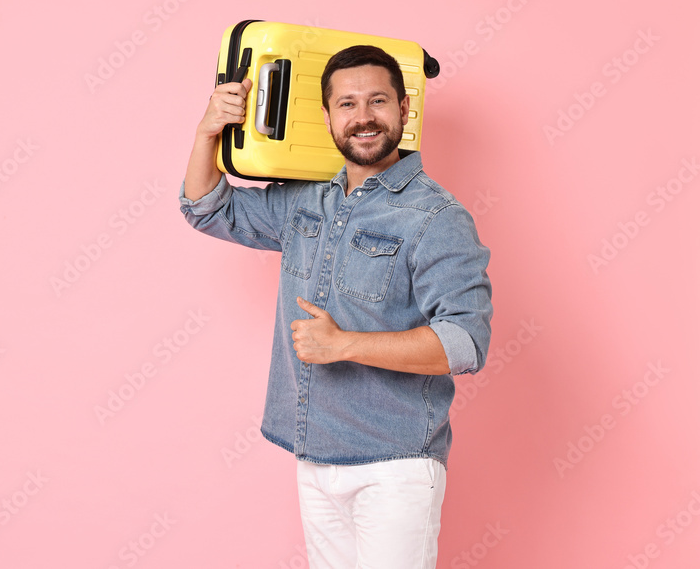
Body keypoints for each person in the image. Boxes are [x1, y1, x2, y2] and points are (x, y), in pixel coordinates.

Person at [179, 45, 492, 568]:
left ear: (404, 110)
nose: (363, 117)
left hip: (395, 465)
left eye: (378, 101)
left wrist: (343, 344)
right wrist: (207, 132)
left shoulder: (436, 217)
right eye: (347, 104)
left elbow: (465, 342)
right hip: (315, 456)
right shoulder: (307, 200)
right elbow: (207, 208)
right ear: (326, 117)